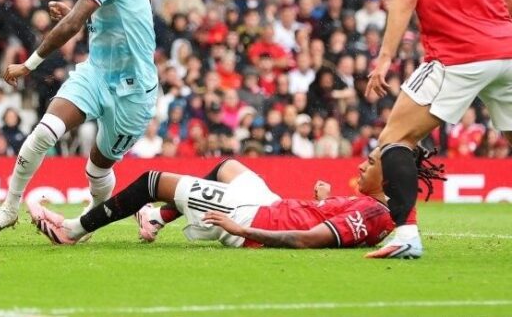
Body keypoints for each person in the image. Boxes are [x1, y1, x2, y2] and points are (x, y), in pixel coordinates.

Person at [366, 0, 512, 259]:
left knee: (395, 139)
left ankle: (406, 236)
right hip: (506, 51)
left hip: (459, 53)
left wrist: (384, 57)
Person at [0, 0, 157, 237]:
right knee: (45, 132)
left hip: (133, 90)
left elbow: (72, 26)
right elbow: (118, 18)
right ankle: (9, 207)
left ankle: (89, 221)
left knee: (97, 170)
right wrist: (79, 14)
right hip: (96, 74)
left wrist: (28, 64)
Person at [27, 148, 444, 249]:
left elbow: (308, 239)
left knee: (152, 180)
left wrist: (240, 229)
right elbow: (320, 220)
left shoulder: (373, 213)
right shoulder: (374, 208)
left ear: (389, 177)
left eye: (370, 163)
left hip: (251, 217)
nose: (361, 166)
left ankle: (71, 230)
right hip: (271, 204)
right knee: (227, 165)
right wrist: (319, 200)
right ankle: (157, 219)